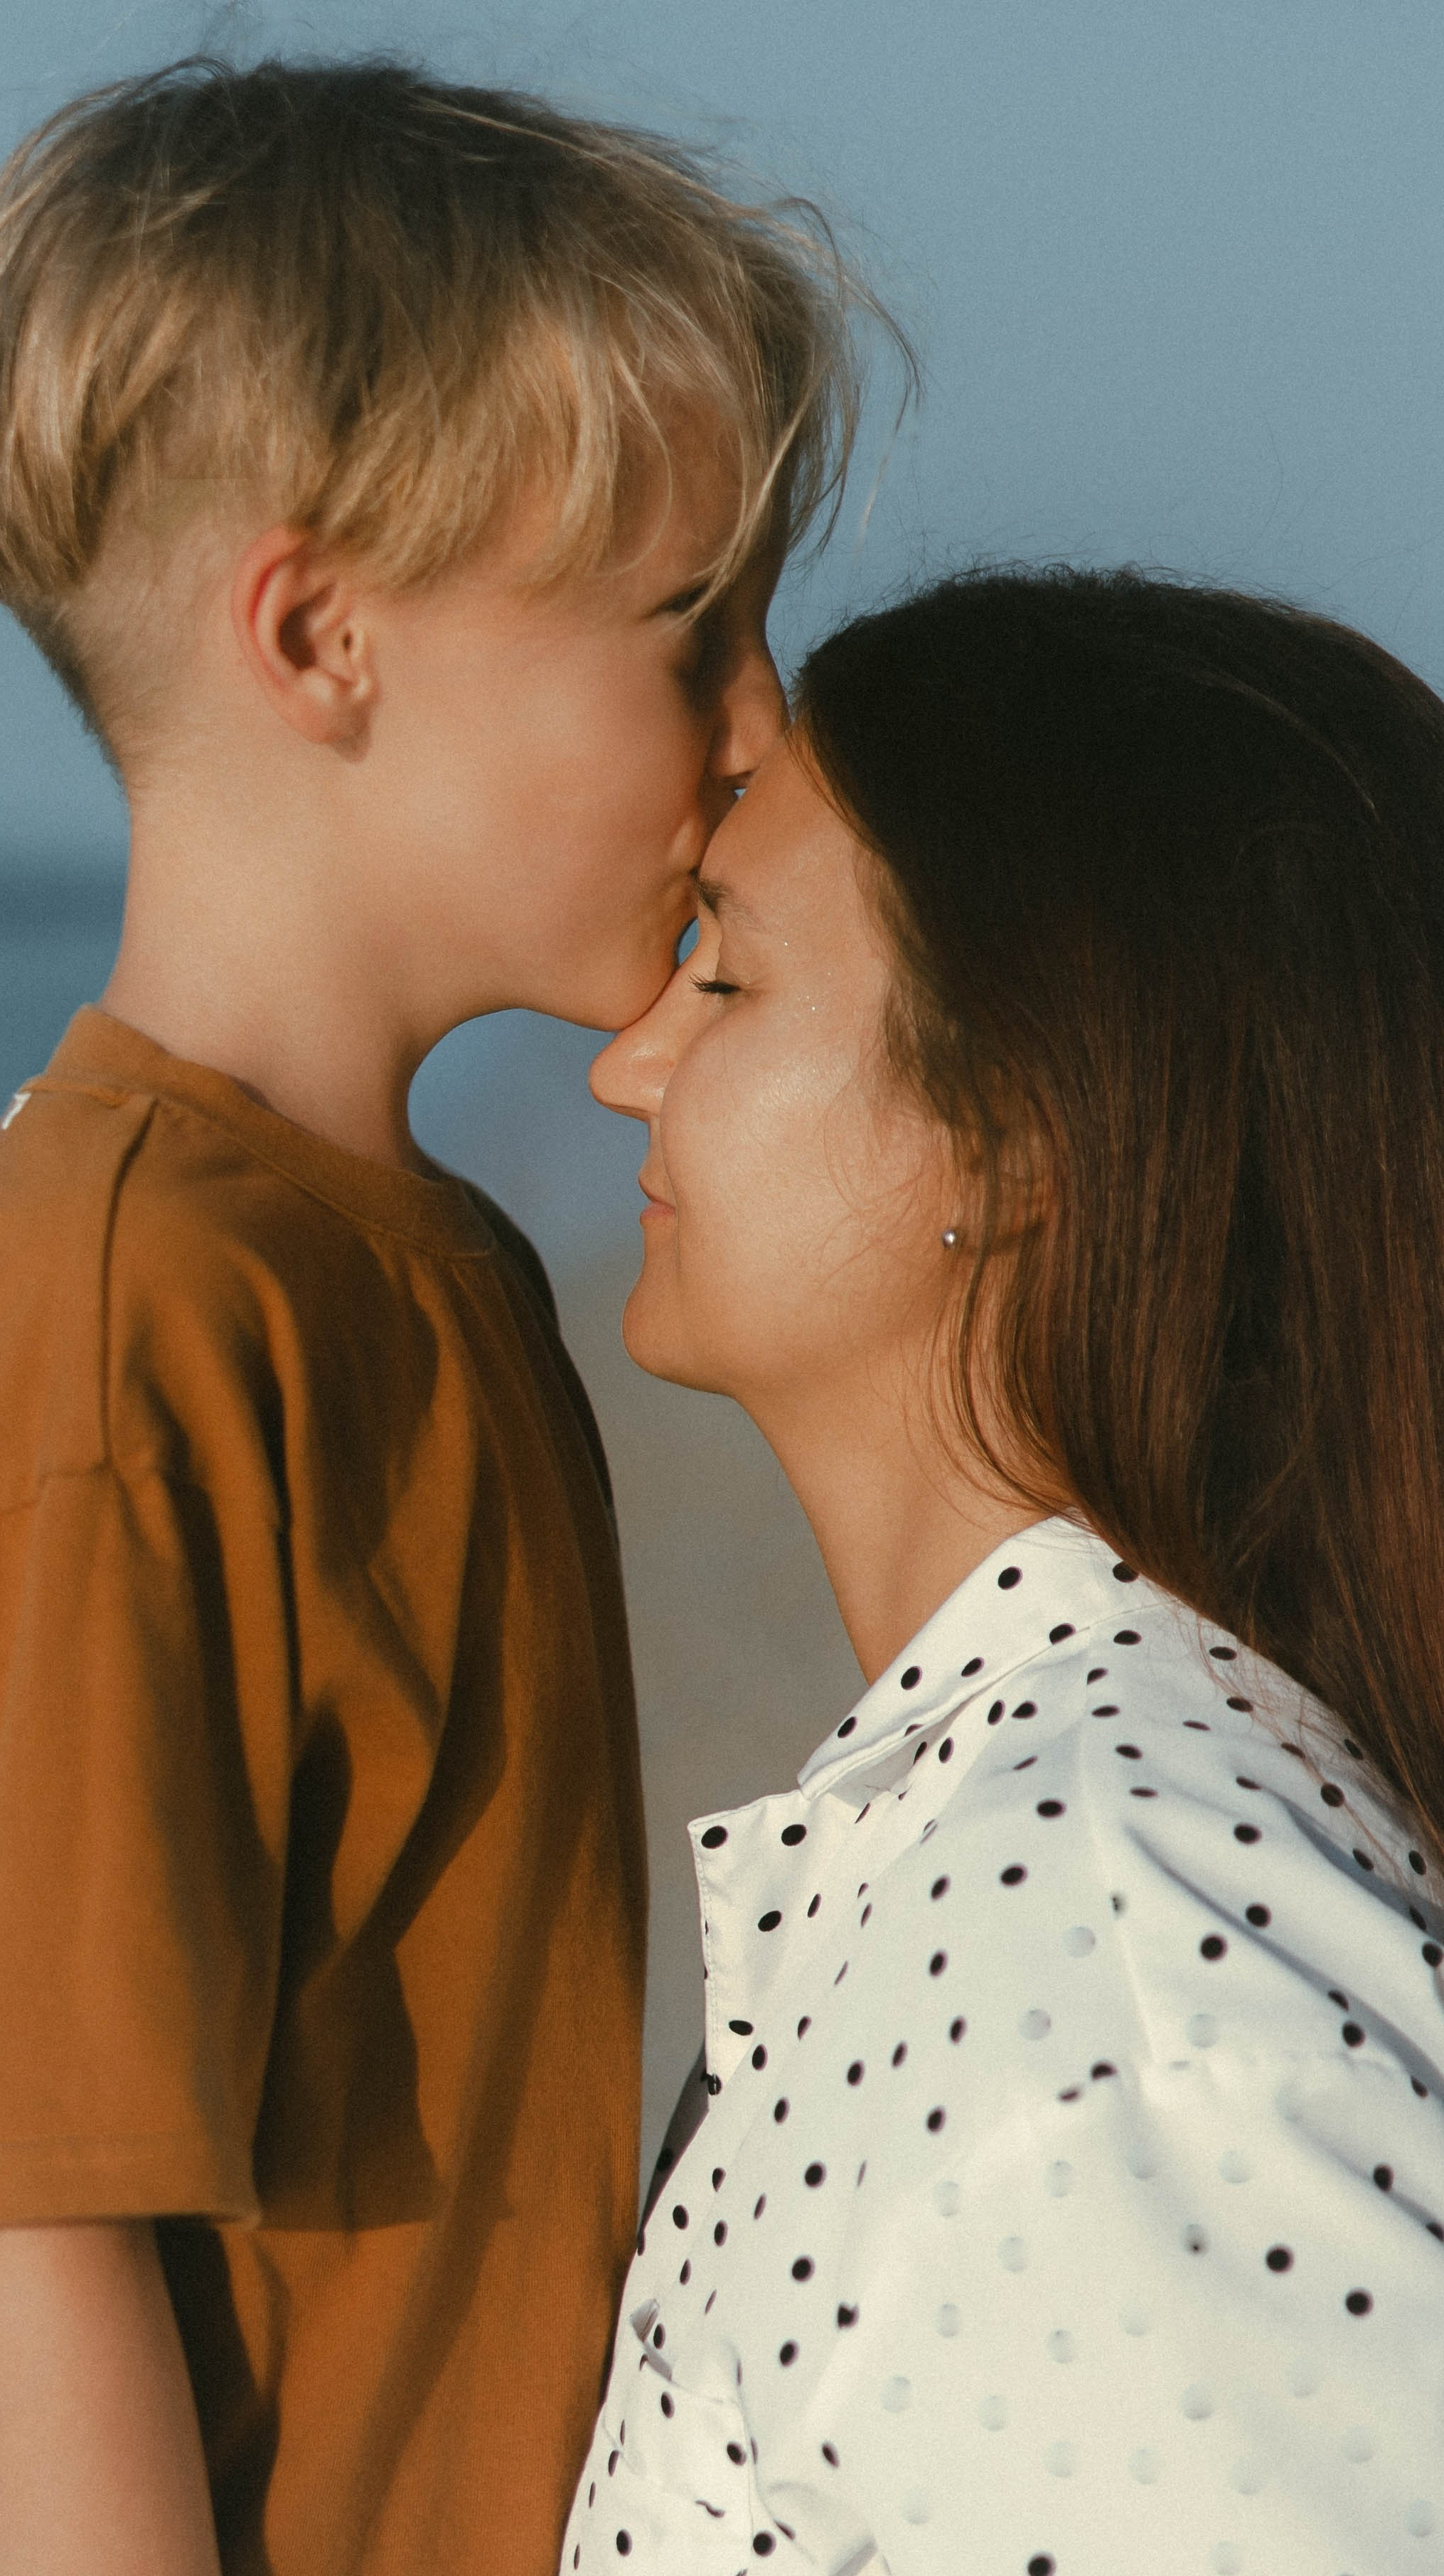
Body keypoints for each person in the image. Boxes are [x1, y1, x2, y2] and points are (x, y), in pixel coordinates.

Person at [0, 55, 894, 2576]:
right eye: (689, 624)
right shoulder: (136, 1312)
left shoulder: (393, 1259)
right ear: (319, 636)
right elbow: (30, 2228)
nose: (761, 725)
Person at [567, 565, 1444, 2575]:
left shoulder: (1104, 1973)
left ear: (1019, 1128)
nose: (626, 1062)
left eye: (727, 976)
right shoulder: (1045, 1858)